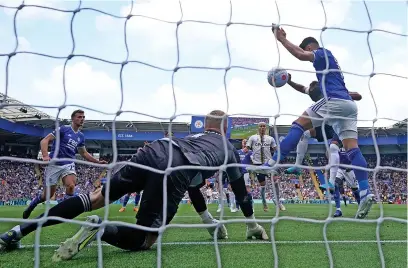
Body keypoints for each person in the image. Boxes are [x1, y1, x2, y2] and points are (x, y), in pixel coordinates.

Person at [0, 110, 268, 261]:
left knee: (95, 198)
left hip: (155, 150)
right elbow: (241, 192)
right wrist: (252, 225)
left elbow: (194, 186)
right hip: (175, 166)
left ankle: (16, 232)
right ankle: (101, 228)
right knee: (146, 239)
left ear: (205, 126)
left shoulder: (192, 137)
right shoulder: (227, 148)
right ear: (224, 129)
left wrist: (208, 221)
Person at [258, 27, 374, 219]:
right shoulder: (325, 77)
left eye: (309, 49)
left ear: (312, 46)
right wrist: (288, 82)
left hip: (333, 103)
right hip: (347, 108)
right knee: (352, 149)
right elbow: (305, 89)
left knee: (298, 125)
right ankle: (364, 193)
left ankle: (273, 162)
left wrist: (282, 40)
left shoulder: (322, 53)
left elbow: (300, 54)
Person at [22, 109, 107, 219]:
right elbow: (44, 140)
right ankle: (31, 206)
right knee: (47, 195)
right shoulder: (63, 129)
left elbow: (84, 153)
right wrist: (45, 155)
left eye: (83, 117)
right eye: (79, 117)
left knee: (71, 186)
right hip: (54, 164)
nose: (82, 119)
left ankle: (62, 211)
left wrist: (98, 162)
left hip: (69, 164)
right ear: (72, 118)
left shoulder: (81, 136)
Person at [246, 122, 282, 212]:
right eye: (260, 126)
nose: (262, 127)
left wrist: (281, 151)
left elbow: (276, 149)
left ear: (266, 128)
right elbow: (246, 149)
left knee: (276, 181)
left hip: (269, 164)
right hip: (258, 165)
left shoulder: (270, 138)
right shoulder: (252, 138)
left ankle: (277, 202)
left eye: (264, 126)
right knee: (263, 186)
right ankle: (264, 203)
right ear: (257, 128)